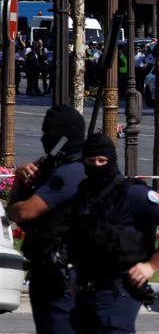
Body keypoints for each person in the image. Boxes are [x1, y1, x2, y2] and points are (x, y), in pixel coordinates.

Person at [67, 133, 159, 334]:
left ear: (111, 161)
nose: (97, 165)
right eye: (91, 161)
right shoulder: (83, 194)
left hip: (119, 289)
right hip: (86, 289)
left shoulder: (133, 193)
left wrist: (152, 266)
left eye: (102, 160)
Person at [7, 105, 87, 334]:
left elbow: (22, 213)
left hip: (62, 274)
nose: (44, 138)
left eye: (48, 133)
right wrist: (21, 181)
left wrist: (18, 192)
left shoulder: (70, 172)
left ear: (63, 137)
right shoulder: (56, 166)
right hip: (53, 271)